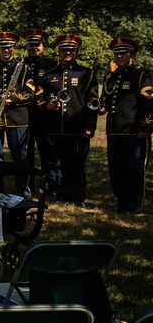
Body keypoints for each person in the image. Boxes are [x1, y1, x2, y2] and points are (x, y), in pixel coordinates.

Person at [38, 34, 98, 206]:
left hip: (78, 126)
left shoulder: (87, 73)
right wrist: (46, 105)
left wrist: (90, 126)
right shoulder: (49, 74)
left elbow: (92, 102)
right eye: (64, 50)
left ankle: (79, 197)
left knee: (78, 163)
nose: (68, 53)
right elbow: (39, 95)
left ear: (77, 52)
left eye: (71, 50)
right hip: (56, 127)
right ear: (59, 52)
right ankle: (62, 195)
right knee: (59, 163)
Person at [99, 37, 153, 213]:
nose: (119, 56)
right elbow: (105, 100)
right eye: (117, 53)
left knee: (135, 169)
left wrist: (146, 126)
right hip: (114, 131)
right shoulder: (110, 77)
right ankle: (121, 202)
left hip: (134, 131)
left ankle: (134, 204)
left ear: (133, 56)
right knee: (117, 170)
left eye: (124, 53)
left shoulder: (142, 76)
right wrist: (100, 107)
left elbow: (149, 103)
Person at [0, 32, 35, 193]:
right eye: (2, 47)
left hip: (17, 118)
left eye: (9, 47)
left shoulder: (23, 69)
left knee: (19, 156)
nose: (6, 50)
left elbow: (30, 92)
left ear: (14, 48)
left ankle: (23, 188)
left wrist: (14, 99)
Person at [23, 28, 57, 171]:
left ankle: (49, 182)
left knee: (47, 149)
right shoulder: (20, 65)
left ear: (43, 46)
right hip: (25, 113)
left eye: (37, 44)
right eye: (31, 44)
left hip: (45, 114)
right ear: (26, 46)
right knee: (25, 150)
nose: (34, 47)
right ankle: (28, 184)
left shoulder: (52, 66)